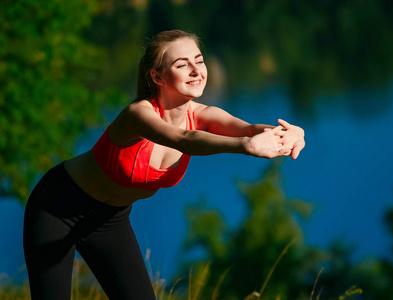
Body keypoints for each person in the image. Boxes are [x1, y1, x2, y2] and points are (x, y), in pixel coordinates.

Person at [23, 30, 305, 300]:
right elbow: (184, 139)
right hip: (58, 207)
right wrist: (243, 147)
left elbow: (249, 129)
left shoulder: (203, 114)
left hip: (109, 220)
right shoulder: (138, 115)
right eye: (183, 65)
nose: (196, 71)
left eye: (200, 61)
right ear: (157, 76)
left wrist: (290, 134)